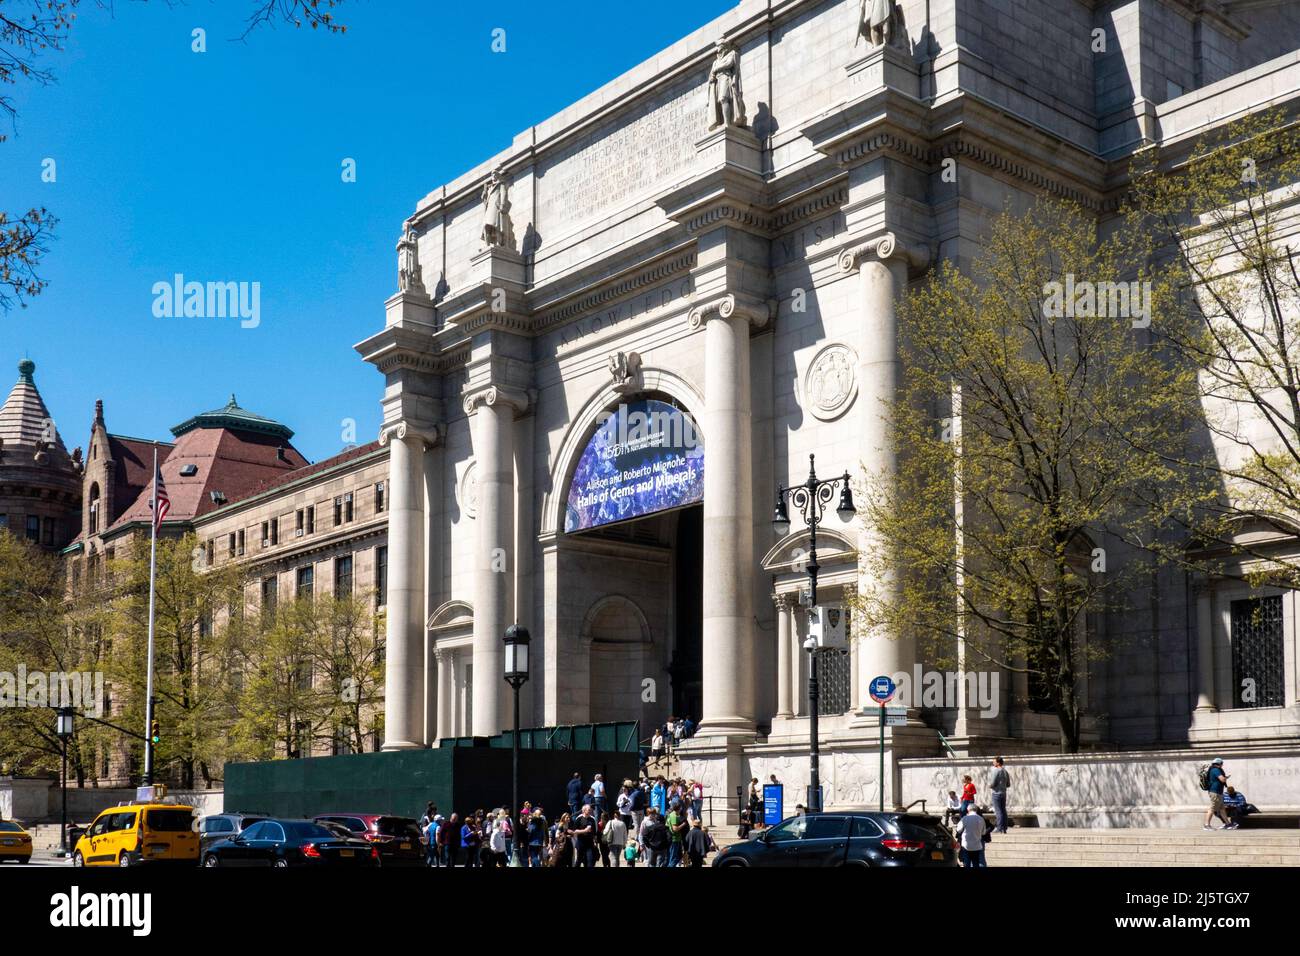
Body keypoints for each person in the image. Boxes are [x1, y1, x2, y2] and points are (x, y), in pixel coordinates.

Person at [1204, 758, 1233, 830]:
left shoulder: (1213, 769)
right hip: (1215, 792)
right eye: (1221, 764)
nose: (1222, 765)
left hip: (1218, 792)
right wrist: (1225, 778)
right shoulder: (1215, 770)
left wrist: (1225, 777)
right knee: (1212, 808)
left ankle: (1228, 824)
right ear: (1219, 763)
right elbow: (1222, 779)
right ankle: (1206, 825)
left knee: (1222, 809)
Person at [989, 757, 1010, 834]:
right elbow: (1008, 784)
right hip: (1004, 793)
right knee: (1003, 810)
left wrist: (990, 786)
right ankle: (1004, 828)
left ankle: (999, 827)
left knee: (998, 811)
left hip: (996, 793)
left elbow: (993, 783)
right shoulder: (1005, 771)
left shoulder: (996, 771)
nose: (993, 763)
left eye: (994, 762)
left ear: (998, 763)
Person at [666, 802, 687, 868]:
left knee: (675, 856)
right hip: (674, 839)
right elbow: (675, 829)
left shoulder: (672, 814)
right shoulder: (674, 816)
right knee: (674, 857)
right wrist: (684, 824)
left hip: (675, 838)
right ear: (679, 808)